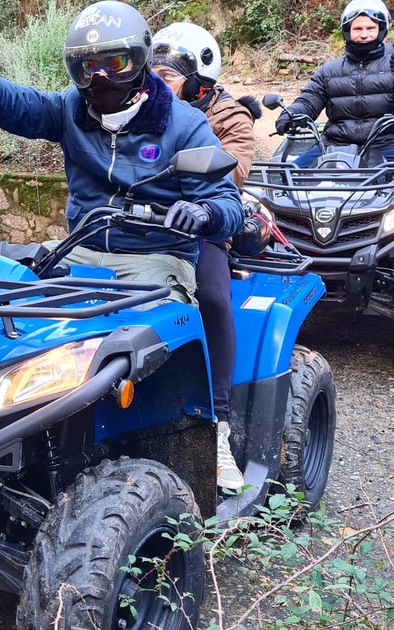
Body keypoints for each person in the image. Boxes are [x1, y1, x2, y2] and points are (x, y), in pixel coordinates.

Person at [0, 1, 245, 487]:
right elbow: (22, 107)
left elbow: (226, 201)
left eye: (114, 63)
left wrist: (204, 213)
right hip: (82, 247)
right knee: (18, 319)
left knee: (146, 336)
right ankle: (8, 426)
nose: (99, 78)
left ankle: (212, 432)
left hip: (157, 253)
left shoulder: (182, 123)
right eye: (87, 67)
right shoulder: (70, 109)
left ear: (140, 60)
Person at [151, 21, 261, 490]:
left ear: (198, 80)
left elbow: (232, 171)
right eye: (152, 74)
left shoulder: (229, 115)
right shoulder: (137, 106)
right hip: (141, 225)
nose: (156, 84)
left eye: (167, 77)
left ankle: (218, 427)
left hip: (204, 223)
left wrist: (192, 198)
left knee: (213, 297)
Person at [274, 0, 394, 167]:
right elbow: (308, 101)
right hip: (333, 145)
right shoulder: (328, 71)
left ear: (381, 30)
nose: (364, 34)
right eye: (358, 29)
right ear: (347, 32)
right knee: (287, 174)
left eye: (370, 28)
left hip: (384, 144)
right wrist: (290, 115)